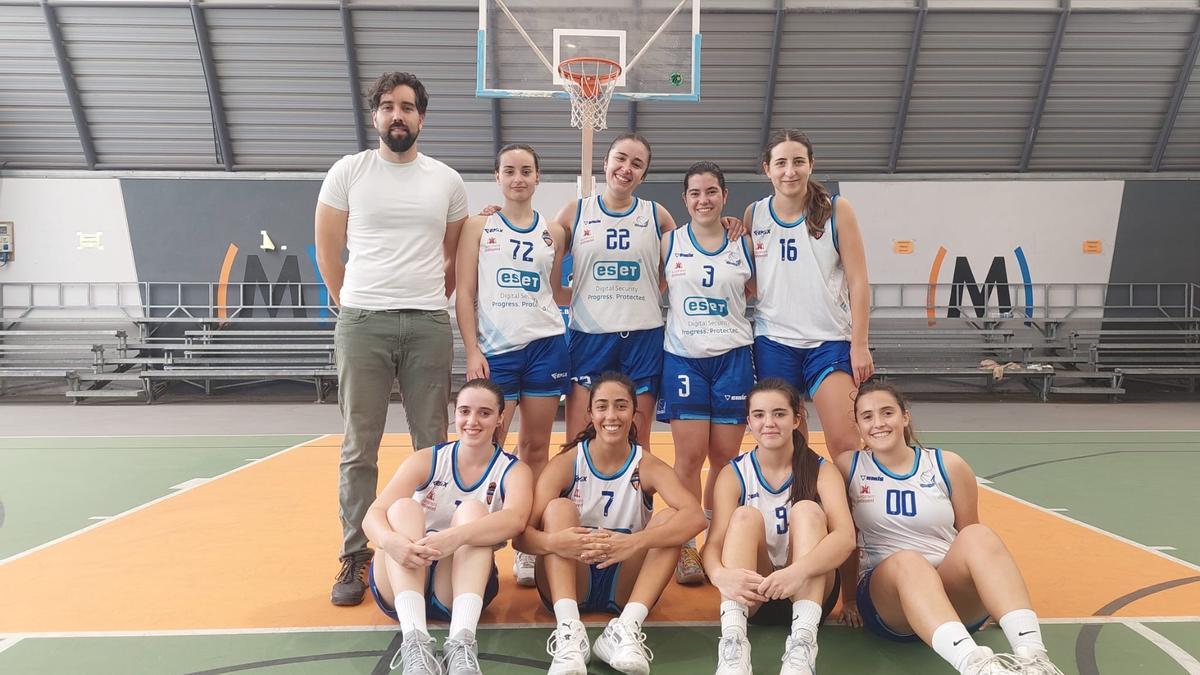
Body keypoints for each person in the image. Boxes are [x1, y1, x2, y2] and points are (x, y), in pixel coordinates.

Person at [316, 71, 470, 606]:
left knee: (433, 444)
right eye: (387, 106)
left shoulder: (446, 180)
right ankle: (357, 553)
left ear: (421, 117)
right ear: (375, 116)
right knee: (360, 445)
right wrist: (353, 302)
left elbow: (452, 258)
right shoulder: (348, 172)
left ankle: (432, 546)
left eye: (406, 106)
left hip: (427, 322)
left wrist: (427, 298)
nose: (397, 115)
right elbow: (327, 251)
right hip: (363, 321)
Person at [837, 382, 1063, 675]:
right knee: (909, 560)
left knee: (978, 535)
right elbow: (845, 538)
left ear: (905, 416)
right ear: (858, 426)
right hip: (889, 602)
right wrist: (848, 598)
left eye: (887, 412)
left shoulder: (947, 465)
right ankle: (976, 666)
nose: (878, 423)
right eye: (867, 416)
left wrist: (993, 599)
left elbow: (969, 537)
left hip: (949, 591)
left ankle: (1034, 657)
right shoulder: (850, 467)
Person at [515, 372, 706, 675]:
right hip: (572, 576)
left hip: (623, 582)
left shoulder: (646, 464)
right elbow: (521, 537)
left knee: (671, 519)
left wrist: (634, 542)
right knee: (558, 508)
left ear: (634, 413)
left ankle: (626, 627)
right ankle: (569, 631)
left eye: (621, 406)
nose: (611, 416)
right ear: (590, 414)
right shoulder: (567, 463)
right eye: (602, 406)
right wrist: (554, 542)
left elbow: (695, 516)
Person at [455, 142, 570, 588]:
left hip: (546, 345)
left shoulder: (553, 232)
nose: (518, 178)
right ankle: (480, 544)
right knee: (488, 447)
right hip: (496, 351)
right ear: (497, 177)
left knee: (536, 448)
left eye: (526, 170)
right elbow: (465, 293)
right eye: (509, 170)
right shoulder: (478, 226)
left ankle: (525, 541)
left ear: (538, 177)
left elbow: (555, 292)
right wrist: (472, 350)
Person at [362, 379, 533, 675]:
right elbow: (372, 515)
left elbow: (516, 520)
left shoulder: (513, 469)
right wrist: (391, 542)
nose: (472, 421)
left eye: (484, 413)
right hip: (403, 575)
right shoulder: (428, 459)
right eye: (465, 411)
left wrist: (456, 536)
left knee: (473, 512)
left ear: (500, 418)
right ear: (455, 414)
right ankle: (415, 643)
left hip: (455, 587)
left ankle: (461, 643)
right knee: (402, 508)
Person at [701, 379, 855, 675]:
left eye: (779, 414)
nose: (768, 423)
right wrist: (719, 575)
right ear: (748, 422)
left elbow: (845, 537)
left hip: (810, 591)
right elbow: (714, 543)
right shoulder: (734, 473)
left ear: (797, 419)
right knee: (744, 516)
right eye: (759, 415)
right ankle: (733, 643)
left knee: (807, 510)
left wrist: (798, 572)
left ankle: (803, 644)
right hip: (755, 594)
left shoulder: (821, 470)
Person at [657, 161, 756, 585]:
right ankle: (687, 543)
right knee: (689, 457)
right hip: (684, 358)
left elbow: (761, 291)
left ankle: (716, 537)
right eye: (695, 193)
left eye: (711, 191)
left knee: (724, 458)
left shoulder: (743, 244)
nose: (704, 200)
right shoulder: (669, 243)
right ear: (685, 199)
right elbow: (648, 289)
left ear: (724, 196)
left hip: (733, 356)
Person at [745, 129, 871, 460]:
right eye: (781, 163)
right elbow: (749, 281)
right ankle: (799, 494)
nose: (790, 171)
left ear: (811, 165)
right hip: (774, 341)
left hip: (829, 341)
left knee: (845, 442)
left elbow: (859, 281)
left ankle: (848, 497)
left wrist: (859, 344)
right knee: (787, 445)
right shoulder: (754, 214)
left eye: (798, 162)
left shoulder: (837, 210)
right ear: (767, 168)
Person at [552, 133, 677, 450]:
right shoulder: (575, 212)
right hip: (589, 336)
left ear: (643, 175)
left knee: (638, 442)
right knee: (579, 441)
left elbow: (683, 263)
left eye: (637, 163)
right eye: (620, 158)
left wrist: (650, 290)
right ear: (605, 163)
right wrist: (496, 218)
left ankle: (636, 487)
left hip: (643, 337)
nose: (626, 168)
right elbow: (540, 257)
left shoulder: (657, 215)